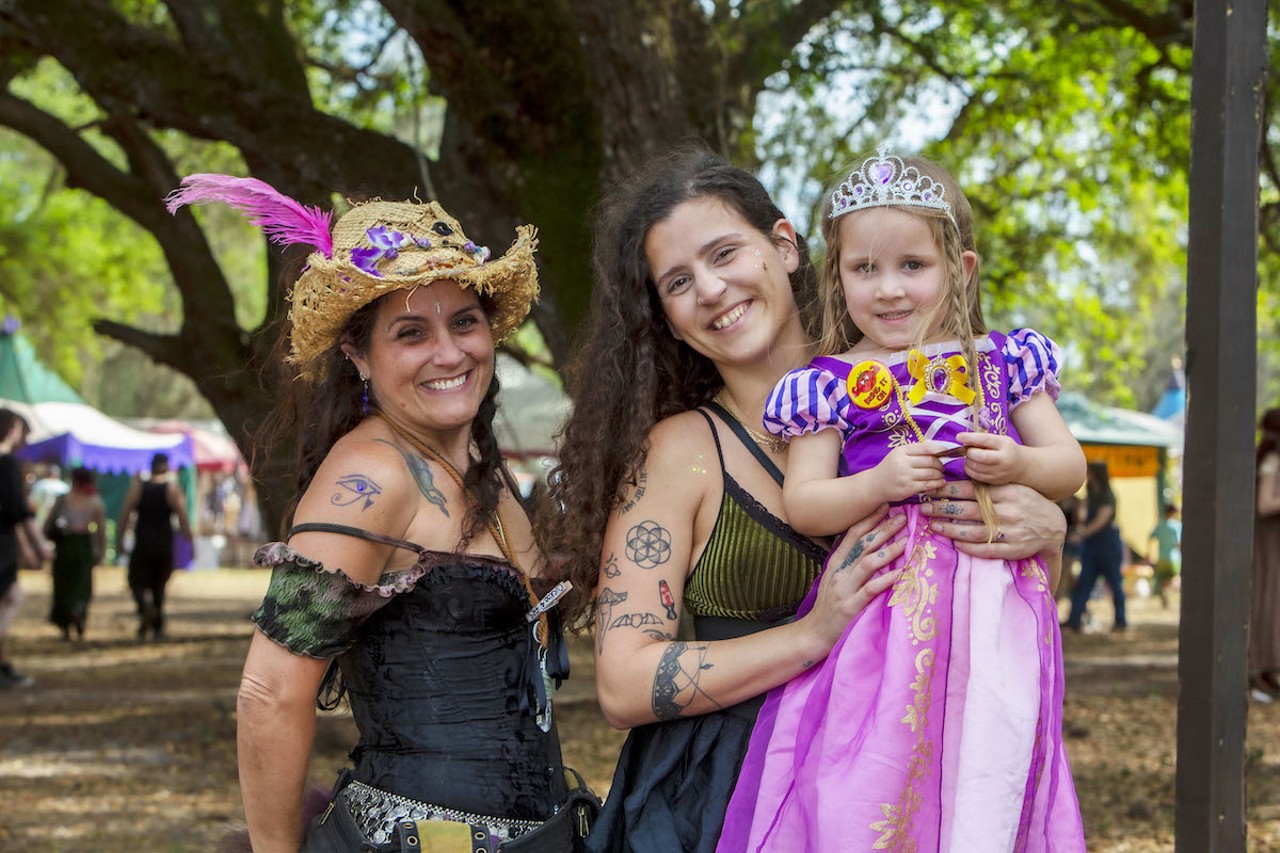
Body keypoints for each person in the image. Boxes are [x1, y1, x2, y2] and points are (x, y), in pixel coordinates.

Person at [541, 145, 1071, 853]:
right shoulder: (679, 452)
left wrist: (1048, 528)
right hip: (716, 793)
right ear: (666, 315)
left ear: (786, 247)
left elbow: (1008, 614)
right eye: (677, 281)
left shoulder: (937, 387)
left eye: (725, 252)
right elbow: (622, 683)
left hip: (913, 776)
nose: (711, 288)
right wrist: (810, 636)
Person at [167, 174, 592, 853]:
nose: (449, 352)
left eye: (464, 321)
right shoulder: (368, 474)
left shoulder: (482, 466)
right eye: (411, 332)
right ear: (359, 355)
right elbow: (270, 690)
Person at [717, 146, 1087, 851]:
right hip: (886, 619)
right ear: (838, 276)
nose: (888, 289)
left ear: (960, 269)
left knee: (990, 760)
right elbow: (807, 503)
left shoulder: (1002, 361)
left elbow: (1067, 466)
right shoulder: (829, 381)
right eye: (865, 269)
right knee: (875, 778)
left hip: (998, 613)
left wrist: (1018, 459)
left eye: (912, 266)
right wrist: (878, 484)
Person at [116, 452, 194, 640]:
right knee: (159, 585)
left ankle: (145, 611)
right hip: (164, 543)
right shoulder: (172, 488)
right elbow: (182, 517)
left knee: (135, 580)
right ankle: (156, 622)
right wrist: (189, 541)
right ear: (166, 466)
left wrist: (119, 539)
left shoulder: (139, 486)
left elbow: (125, 513)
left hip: (143, 541)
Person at [0, 409, 50, 687]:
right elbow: (18, 511)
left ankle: (3, 665)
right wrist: (40, 545)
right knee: (12, 597)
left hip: (6, 542)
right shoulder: (6, 464)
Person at [1063, 461, 1127, 633]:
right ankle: (1074, 620)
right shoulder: (1090, 492)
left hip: (1107, 544)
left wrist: (1081, 534)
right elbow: (1084, 517)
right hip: (1092, 545)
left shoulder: (1107, 495)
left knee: (1114, 582)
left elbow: (1101, 520)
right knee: (1084, 582)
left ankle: (1121, 621)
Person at [46, 466, 107, 641]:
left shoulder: (64, 499)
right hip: (84, 544)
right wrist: (101, 551)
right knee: (82, 582)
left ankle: (65, 622)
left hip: (66, 544)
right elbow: (100, 530)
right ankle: (79, 608)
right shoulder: (94, 501)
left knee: (64, 583)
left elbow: (48, 523)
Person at [1249, 407, 1280, 701]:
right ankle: (1259, 667)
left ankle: (1267, 669)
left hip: (1273, 541)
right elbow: (1265, 504)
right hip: (1267, 542)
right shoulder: (1272, 460)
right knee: (1266, 602)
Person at [1147, 502, 1182, 609]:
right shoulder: (1176, 526)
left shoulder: (1160, 525)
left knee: (1163, 581)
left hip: (1162, 558)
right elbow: (1178, 542)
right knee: (1175, 579)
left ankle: (1165, 597)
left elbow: (1150, 537)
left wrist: (1147, 553)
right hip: (1174, 558)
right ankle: (1171, 593)